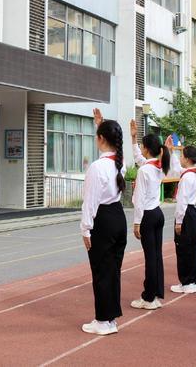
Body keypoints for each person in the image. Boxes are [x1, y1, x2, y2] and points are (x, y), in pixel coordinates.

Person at [80, 108, 127, 336]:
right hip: (118, 217)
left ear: (100, 139)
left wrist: (85, 229)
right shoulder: (120, 163)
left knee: (100, 270)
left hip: (103, 220)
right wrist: (100, 124)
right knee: (113, 270)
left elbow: (90, 201)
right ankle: (110, 318)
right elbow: (110, 145)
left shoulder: (97, 167)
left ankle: (102, 320)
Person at [129, 120, 173, 310]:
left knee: (150, 257)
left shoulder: (145, 170)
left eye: (141, 146)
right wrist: (133, 138)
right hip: (158, 214)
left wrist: (136, 223)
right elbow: (140, 158)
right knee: (156, 256)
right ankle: (155, 295)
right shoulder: (158, 166)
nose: (141, 150)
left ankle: (148, 297)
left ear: (146, 149)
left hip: (147, 215)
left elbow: (139, 200)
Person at [166, 139, 196, 295]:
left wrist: (179, 221)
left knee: (184, 248)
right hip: (192, 212)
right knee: (194, 247)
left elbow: (181, 201)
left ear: (188, 159)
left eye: (181, 156)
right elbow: (176, 167)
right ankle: (193, 281)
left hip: (186, 213)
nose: (180, 158)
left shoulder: (187, 177)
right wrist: (170, 151)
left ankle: (186, 282)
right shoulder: (192, 173)